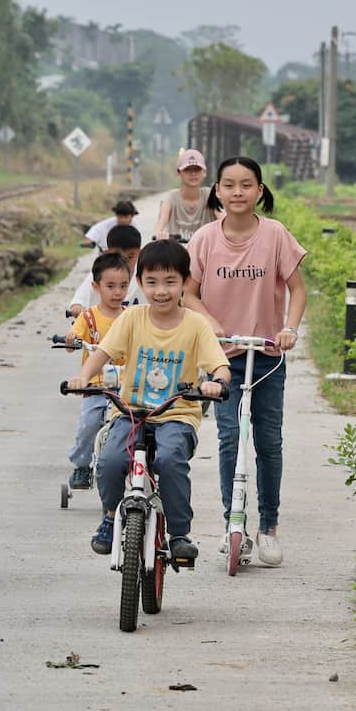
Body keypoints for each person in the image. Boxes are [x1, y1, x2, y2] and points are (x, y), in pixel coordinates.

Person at [182, 156, 307, 568]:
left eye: (246, 185)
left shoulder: (275, 235)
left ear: (259, 190)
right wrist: (211, 323)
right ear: (216, 190)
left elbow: (297, 289)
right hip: (223, 358)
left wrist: (289, 327)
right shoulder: (203, 239)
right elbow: (188, 292)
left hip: (267, 355)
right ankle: (231, 522)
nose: (238, 192)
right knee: (230, 439)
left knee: (268, 442)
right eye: (229, 185)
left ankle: (268, 527)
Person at [76, 240, 230, 562]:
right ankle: (108, 517)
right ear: (140, 283)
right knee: (109, 462)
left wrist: (217, 383)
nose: (161, 291)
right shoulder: (132, 318)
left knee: (172, 459)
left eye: (171, 282)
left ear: (185, 282)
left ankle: (179, 533)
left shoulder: (196, 325)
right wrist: (84, 377)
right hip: (131, 411)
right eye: (152, 282)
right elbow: (103, 353)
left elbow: (219, 365)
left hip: (177, 414)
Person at [61, 251, 133, 490]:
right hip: (95, 386)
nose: (118, 292)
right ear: (95, 286)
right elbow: (74, 344)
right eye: (110, 286)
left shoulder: (131, 316)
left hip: (125, 387)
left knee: (131, 426)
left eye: (123, 286)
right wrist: (72, 339)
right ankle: (82, 465)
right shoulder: (89, 317)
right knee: (89, 424)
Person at [65, 223, 143, 318]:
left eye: (130, 257)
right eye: (118, 256)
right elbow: (85, 289)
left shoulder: (143, 275)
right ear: (107, 253)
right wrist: (78, 304)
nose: (124, 262)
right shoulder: (102, 272)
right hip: (99, 325)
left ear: (140, 253)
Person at [153, 148, 220, 241]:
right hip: (178, 252)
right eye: (187, 169)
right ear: (178, 173)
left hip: (206, 251)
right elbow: (161, 222)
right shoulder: (170, 197)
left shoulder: (211, 195)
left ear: (204, 172)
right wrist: (159, 233)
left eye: (197, 169)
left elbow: (223, 219)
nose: (193, 173)